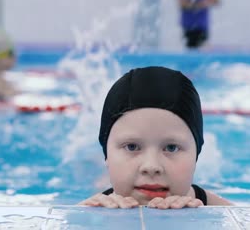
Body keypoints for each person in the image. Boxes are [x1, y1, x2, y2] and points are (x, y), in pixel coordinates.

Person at [79, 66, 232, 209]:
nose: (151, 167)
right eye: (132, 146)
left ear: (196, 154)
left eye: (171, 148)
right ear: (106, 154)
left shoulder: (218, 209)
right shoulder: (91, 212)